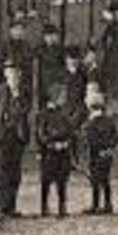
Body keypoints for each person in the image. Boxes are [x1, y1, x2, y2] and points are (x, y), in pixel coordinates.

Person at [0, 60, 32, 216]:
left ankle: (11, 205)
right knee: (1, 171)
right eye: (10, 73)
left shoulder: (24, 92)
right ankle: (0, 205)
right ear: (6, 75)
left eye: (16, 73)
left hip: (17, 137)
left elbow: (26, 111)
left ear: (20, 75)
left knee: (15, 173)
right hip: (2, 136)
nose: (13, 76)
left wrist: (18, 97)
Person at [35, 82, 78, 218]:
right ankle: (44, 206)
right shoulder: (43, 114)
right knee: (46, 180)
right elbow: (41, 134)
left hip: (63, 152)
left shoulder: (63, 114)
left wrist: (67, 144)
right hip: (49, 153)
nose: (64, 98)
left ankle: (62, 206)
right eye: (62, 96)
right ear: (55, 97)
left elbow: (71, 132)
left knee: (62, 180)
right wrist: (52, 145)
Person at [82, 88, 118, 215]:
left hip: (96, 154)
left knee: (95, 180)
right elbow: (115, 137)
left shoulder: (91, 123)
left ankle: (96, 204)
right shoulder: (109, 121)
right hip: (107, 154)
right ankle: (108, 204)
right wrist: (109, 149)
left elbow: (91, 140)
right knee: (105, 179)